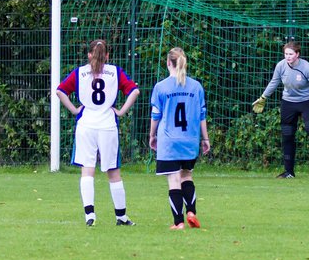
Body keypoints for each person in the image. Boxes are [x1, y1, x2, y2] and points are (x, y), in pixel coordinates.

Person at [54, 39, 139, 226]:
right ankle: (121, 217)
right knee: (113, 172)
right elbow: (134, 91)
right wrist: (122, 110)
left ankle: (90, 216)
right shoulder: (115, 72)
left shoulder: (80, 72)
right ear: (107, 55)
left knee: (87, 170)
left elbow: (60, 91)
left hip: (86, 125)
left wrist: (75, 110)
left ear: (89, 55)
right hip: (107, 125)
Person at [252, 40, 309, 178]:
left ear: (297, 54)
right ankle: (289, 172)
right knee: (287, 135)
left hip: (307, 102)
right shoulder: (281, 66)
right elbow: (274, 82)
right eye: (286, 54)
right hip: (288, 103)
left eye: (290, 54)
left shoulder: (306, 67)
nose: (288, 56)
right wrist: (263, 97)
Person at [148, 47, 210, 230]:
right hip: (190, 140)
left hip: (169, 142)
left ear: (168, 63)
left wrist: (152, 135)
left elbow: (156, 115)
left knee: (174, 180)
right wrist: (205, 139)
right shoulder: (196, 86)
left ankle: (179, 222)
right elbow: (201, 116)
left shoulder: (161, 87)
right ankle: (191, 211)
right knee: (187, 175)